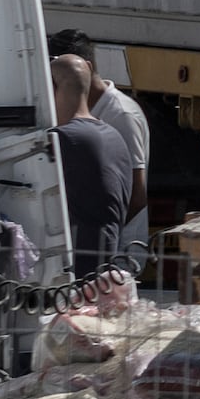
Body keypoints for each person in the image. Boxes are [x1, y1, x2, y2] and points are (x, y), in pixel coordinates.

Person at [53, 53, 145, 273]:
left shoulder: (62, 139)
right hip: (103, 268)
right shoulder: (113, 136)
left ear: (54, 89)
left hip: (72, 274)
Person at [49, 28, 153, 171]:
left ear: (86, 68)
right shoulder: (74, 108)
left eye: (61, 77)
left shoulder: (120, 115)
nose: (53, 86)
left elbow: (137, 189)